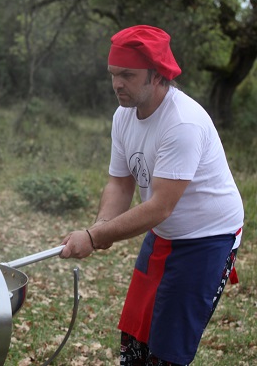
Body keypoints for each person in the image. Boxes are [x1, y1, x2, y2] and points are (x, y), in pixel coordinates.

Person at [60, 25, 244, 366]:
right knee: (135, 338)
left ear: (157, 76)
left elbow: (160, 205)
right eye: (114, 74)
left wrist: (93, 236)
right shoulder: (123, 116)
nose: (117, 84)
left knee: (168, 349)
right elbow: (120, 183)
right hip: (163, 234)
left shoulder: (183, 123)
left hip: (208, 238)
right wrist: (101, 226)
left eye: (127, 75)